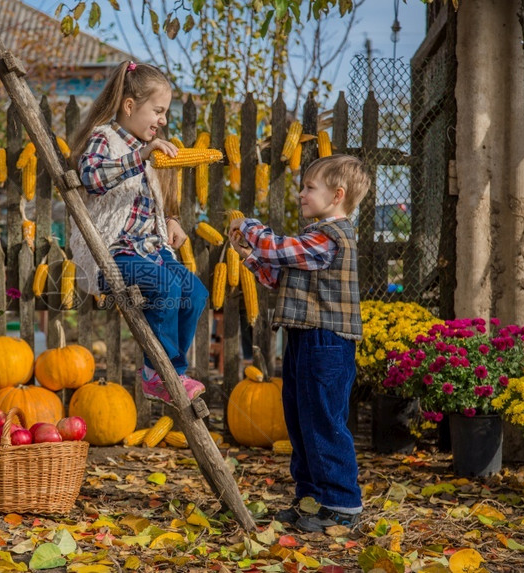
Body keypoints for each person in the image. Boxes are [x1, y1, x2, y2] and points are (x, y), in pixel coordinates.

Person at [228, 154, 370, 532]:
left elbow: (278, 248)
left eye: (310, 187)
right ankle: (311, 499)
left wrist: (250, 226)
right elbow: (279, 277)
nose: (301, 193)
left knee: (323, 420)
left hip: (327, 342)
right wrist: (248, 256)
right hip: (305, 338)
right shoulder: (315, 239)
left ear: (337, 195)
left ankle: (342, 505)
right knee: (300, 419)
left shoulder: (331, 235)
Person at [69, 60, 208, 404]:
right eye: (158, 111)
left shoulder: (148, 151)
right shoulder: (105, 138)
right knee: (167, 285)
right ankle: (159, 374)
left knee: (196, 291)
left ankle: (172, 370)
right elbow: (92, 178)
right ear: (130, 106)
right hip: (113, 254)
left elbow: (147, 203)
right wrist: (140, 154)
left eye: (165, 112)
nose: (163, 120)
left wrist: (171, 220)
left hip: (151, 249)